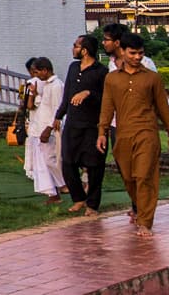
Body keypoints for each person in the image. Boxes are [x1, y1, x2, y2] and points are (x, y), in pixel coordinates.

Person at [96, 35, 169, 236]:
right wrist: (102, 132)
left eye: (140, 53)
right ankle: (140, 209)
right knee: (129, 177)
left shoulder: (152, 78)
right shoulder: (112, 79)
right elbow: (107, 108)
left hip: (147, 133)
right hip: (123, 134)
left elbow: (163, 108)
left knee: (144, 176)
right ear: (122, 52)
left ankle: (145, 222)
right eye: (132, 53)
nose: (137, 57)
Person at [53, 34, 109, 215]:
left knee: (94, 166)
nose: (73, 49)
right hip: (73, 123)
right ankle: (78, 198)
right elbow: (67, 94)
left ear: (84, 50)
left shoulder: (101, 71)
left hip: (93, 125)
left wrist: (88, 93)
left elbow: (107, 99)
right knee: (68, 162)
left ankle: (92, 205)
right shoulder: (73, 67)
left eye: (75, 46)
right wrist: (59, 115)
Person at [102, 23, 169, 132]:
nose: (104, 43)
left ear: (117, 43)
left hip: (144, 124)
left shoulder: (145, 62)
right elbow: (108, 101)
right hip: (118, 124)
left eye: (106, 40)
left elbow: (160, 95)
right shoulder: (111, 65)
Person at [23, 57, 66, 203]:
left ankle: (65, 185)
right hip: (39, 127)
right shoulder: (47, 85)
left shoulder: (56, 85)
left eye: (37, 72)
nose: (36, 76)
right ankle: (53, 192)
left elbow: (57, 110)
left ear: (45, 70)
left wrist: (48, 129)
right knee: (42, 162)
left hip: (50, 129)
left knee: (51, 160)